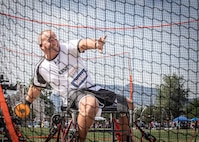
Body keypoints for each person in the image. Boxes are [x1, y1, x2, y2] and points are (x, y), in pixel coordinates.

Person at [24, 30, 133, 142]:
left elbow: (83, 44)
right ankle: (79, 140)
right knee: (91, 104)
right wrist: (26, 103)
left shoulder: (67, 48)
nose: (55, 41)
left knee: (126, 103)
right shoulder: (41, 68)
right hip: (71, 95)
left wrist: (96, 44)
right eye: (50, 40)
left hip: (92, 89)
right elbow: (36, 88)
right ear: (42, 46)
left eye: (55, 38)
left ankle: (124, 139)